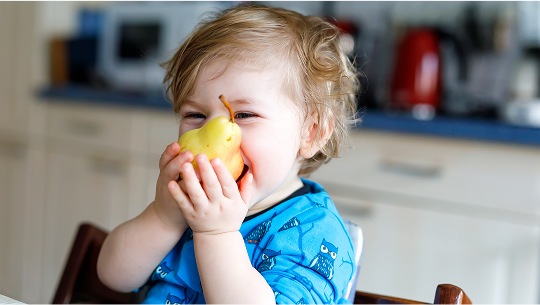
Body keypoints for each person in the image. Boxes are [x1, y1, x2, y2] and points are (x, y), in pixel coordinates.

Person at [97, 4, 360, 305]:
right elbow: (112, 275)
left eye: (244, 114)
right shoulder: (189, 205)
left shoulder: (314, 234)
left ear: (310, 132)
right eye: (195, 114)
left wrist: (217, 235)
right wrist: (162, 216)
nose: (215, 132)